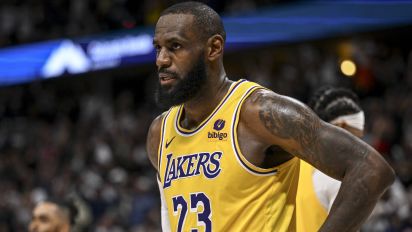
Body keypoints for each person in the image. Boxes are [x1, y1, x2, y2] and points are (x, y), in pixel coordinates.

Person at [146, 2, 394, 231]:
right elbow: (170, 216)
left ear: (214, 48)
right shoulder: (160, 132)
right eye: (158, 48)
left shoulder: (258, 112)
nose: (161, 60)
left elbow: (370, 170)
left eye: (175, 46)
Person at [296, 86, 366, 232]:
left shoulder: (292, 165)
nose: (362, 147)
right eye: (357, 138)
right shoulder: (337, 180)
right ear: (341, 127)